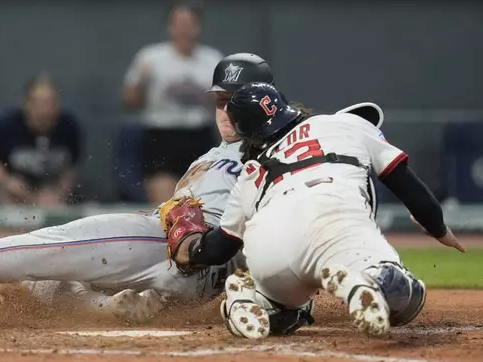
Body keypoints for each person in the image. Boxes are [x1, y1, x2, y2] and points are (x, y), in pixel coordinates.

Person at [0, 54, 314, 334]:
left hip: (188, 253)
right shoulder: (214, 152)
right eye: (220, 99)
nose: (226, 109)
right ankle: (109, 308)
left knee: (53, 246)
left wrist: (291, 292)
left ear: (266, 102)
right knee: (40, 282)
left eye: (236, 100)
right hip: (172, 254)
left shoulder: (279, 150)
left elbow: (296, 218)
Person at [164, 82, 465, 339]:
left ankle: (250, 298)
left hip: (270, 246)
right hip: (336, 224)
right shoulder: (347, 124)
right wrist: (438, 228)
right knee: (405, 294)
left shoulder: (251, 171)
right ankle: (365, 280)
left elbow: (218, 249)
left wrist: (190, 247)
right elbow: (409, 187)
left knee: (283, 306)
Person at [122, 2, 223, 204]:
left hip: (199, 135)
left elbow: (227, 105)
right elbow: (129, 101)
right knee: (166, 206)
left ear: (198, 27)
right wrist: (140, 83)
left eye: (189, 24)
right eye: (179, 24)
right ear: (169, 27)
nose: (184, 30)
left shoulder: (213, 59)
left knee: (200, 204)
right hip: (162, 136)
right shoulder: (150, 58)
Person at [0, 73, 82, 206]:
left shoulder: (69, 127)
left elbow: (72, 167)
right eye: (39, 103)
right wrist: (7, 181)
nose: (45, 110)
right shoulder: (5, 126)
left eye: (51, 103)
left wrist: (59, 192)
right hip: (13, 193)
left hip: (52, 195)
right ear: (26, 103)